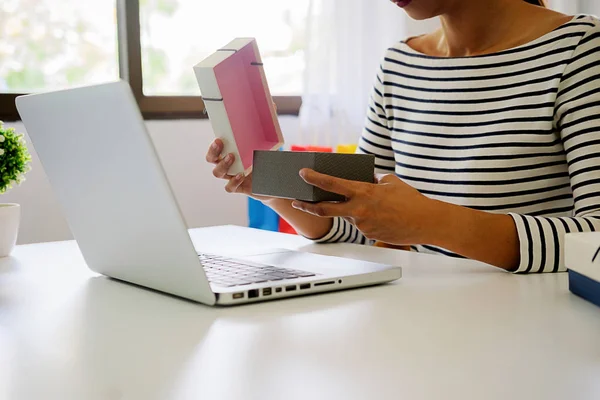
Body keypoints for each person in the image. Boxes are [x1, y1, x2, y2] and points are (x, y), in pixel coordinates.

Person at [206, 0, 600, 273]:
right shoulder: (399, 64)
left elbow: (595, 237)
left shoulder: (580, 51)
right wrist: (272, 187)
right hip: (413, 323)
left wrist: (431, 223)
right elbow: (359, 224)